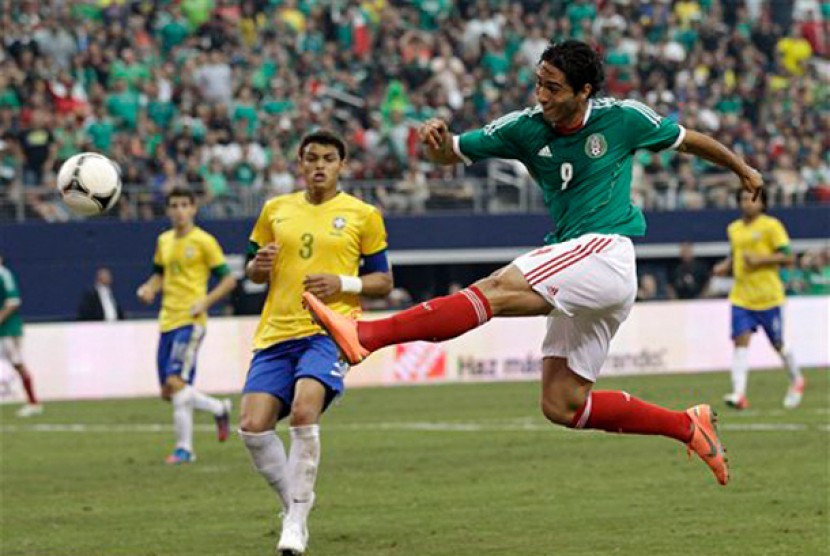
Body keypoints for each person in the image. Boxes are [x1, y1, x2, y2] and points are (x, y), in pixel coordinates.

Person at [305, 40, 768, 489]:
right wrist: (436, 142)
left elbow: (690, 141)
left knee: (495, 289)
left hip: (605, 250)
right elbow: (450, 153)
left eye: (553, 88)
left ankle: (367, 335)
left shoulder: (623, 118)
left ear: (584, 91)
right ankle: (688, 427)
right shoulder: (524, 127)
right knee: (562, 405)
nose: (542, 96)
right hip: (582, 273)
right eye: (539, 84)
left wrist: (742, 168)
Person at [238, 129, 393, 556]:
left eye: (328, 158)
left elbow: (383, 281)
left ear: (342, 165)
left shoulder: (362, 214)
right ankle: (296, 506)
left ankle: (295, 526)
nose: (319, 165)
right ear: (301, 164)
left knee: (304, 412)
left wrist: (341, 282)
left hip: (330, 330)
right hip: (276, 332)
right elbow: (250, 272)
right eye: (311, 158)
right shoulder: (275, 210)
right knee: (252, 427)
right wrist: (257, 265)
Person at [136, 188, 237, 464]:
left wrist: (205, 302)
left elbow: (228, 280)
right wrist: (149, 289)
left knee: (175, 381)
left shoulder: (204, 241)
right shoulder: (164, 241)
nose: (179, 210)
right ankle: (219, 407)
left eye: (184, 205)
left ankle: (185, 449)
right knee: (169, 391)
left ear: (193, 208)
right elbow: (159, 274)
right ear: (168, 210)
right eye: (174, 205)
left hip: (191, 321)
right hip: (167, 320)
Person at [712, 189, 804, 410]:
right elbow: (736, 255)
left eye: (752, 199)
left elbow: (789, 256)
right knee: (740, 342)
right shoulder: (734, 228)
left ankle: (796, 380)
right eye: (743, 199)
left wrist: (761, 260)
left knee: (778, 343)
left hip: (769, 297)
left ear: (762, 203)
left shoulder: (771, 226)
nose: (747, 203)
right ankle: (739, 393)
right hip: (742, 297)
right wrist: (726, 266)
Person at [0, 256, 43, 417]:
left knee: (17, 363)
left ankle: (33, 403)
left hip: (8, 330)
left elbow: (13, 301)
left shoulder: (4, 274)